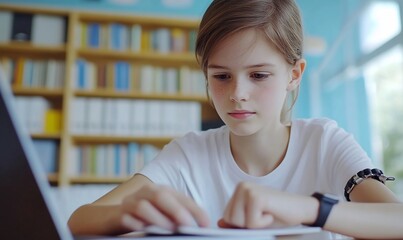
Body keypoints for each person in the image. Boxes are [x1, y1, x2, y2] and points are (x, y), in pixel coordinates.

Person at [68, 0, 403, 239]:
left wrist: (307, 210)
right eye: (222, 76)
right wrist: (126, 213)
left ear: (294, 74)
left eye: (258, 75)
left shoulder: (325, 142)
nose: (237, 93)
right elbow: (79, 220)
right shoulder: (188, 154)